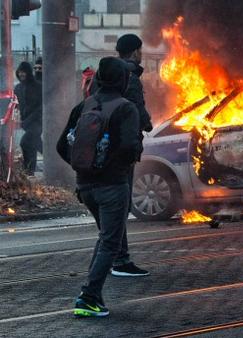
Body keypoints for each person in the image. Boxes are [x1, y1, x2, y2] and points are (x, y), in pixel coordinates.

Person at [56, 57, 142, 317]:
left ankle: (92, 294)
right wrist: (113, 166)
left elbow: (62, 145)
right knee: (110, 244)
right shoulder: (126, 108)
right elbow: (129, 146)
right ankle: (89, 296)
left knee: (105, 238)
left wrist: (84, 166)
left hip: (85, 187)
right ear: (123, 80)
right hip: (112, 186)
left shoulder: (84, 105)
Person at [108, 33, 153, 277]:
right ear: (136, 51)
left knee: (113, 206)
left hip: (105, 148)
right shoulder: (131, 78)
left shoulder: (104, 76)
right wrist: (148, 124)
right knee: (120, 205)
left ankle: (114, 257)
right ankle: (119, 260)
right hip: (123, 149)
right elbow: (138, 111)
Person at [14, 61, 43, 176]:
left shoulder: (38, 86)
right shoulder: (18, 88)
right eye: (20, 72)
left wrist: (28, 119)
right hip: (26, 122)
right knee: (34, 144)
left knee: (25, 142)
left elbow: (41, 107)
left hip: (37, 122)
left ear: (28, 72)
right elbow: (16, 104)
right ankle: (29, 171)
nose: (21, 74)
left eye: (24, 72)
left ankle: (28, 169)